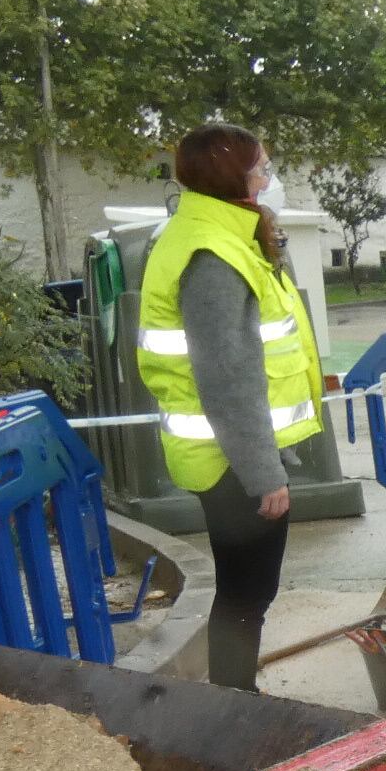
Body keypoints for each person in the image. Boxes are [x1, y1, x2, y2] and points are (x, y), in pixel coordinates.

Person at [136, 122, 322, 691]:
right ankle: (238, 704)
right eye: (262, 168)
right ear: (231, 178)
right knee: (246, 595)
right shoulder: (213, 253)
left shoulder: (219, 234)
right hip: (231, 462)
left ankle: (237, 698)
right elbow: (227, 376)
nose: (270, 178)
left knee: (245, 593)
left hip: (229, 455)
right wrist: (264, 475)